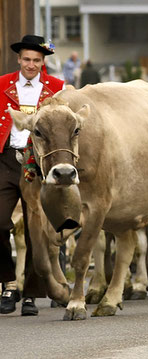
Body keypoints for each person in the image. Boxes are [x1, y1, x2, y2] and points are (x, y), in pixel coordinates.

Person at [0, 35, 65, 316]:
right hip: (6, 160)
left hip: (37, 164)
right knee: (0, 222)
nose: (31, 65)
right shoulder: (2, 84)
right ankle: (9, 283)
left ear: (43, 62)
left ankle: (31, 295)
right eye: (26, 59)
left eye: (36, 60)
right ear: (19, 59)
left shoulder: (57, 88)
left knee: (36, 228)